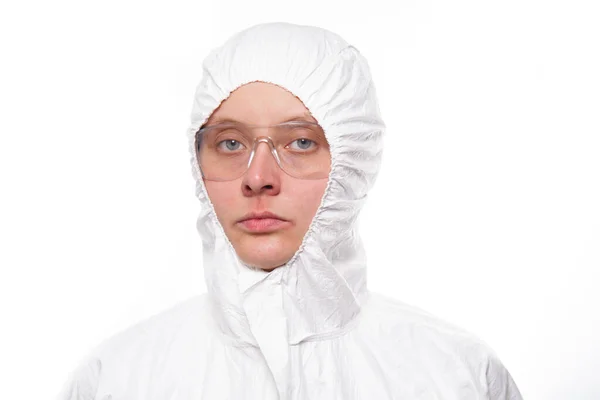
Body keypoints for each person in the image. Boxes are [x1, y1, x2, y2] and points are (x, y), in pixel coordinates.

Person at [57, 22, 523, 399]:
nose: (258, 176)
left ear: (354, 160)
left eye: (301, 142)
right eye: (230, 143)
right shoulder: (116, 381)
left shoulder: (457, 377)